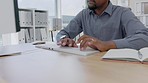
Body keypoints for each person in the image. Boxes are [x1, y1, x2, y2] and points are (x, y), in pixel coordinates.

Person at [56, 0, 148, 52]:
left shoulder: (123, 13)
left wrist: (107, 45)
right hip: (91, 67)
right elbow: (62, 33)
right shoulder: (84, 14)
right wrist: (64, 39)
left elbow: (145, 37)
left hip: (117, 69)